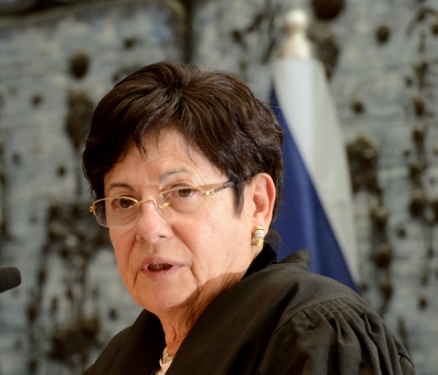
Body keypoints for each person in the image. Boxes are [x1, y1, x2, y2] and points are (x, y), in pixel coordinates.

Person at [81, 61, 414, 374]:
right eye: (124, 201)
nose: (148, 228)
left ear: (257, 203)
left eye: (182, 192)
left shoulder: (312, 333)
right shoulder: (119, 359)